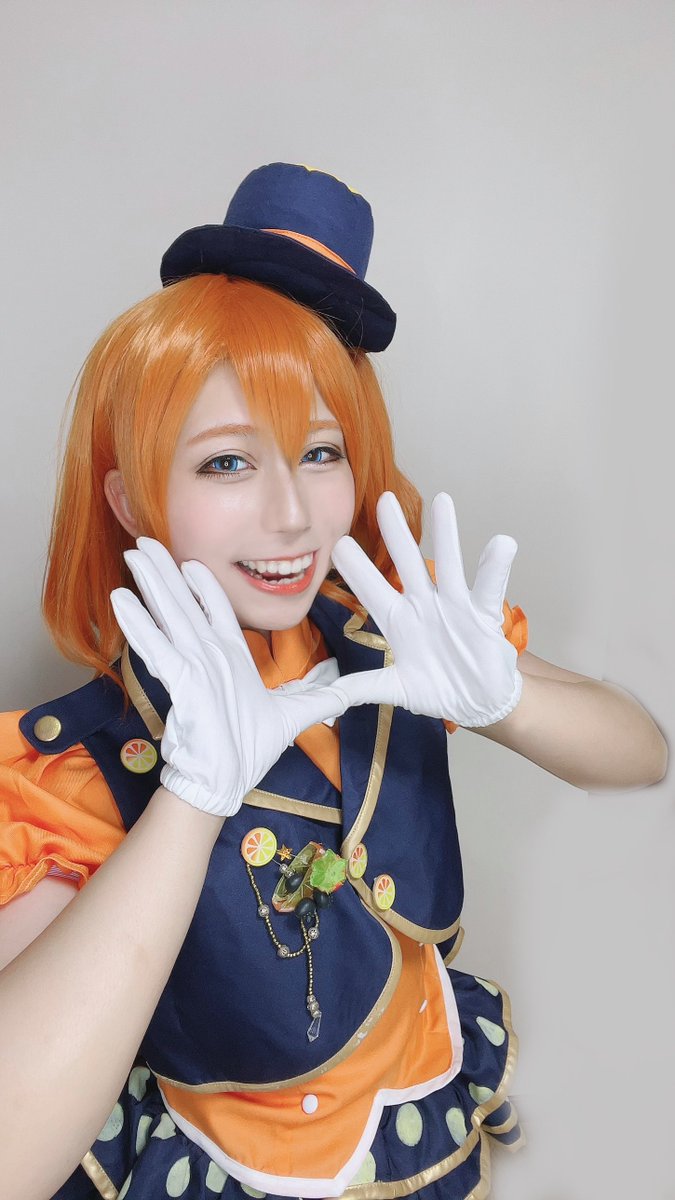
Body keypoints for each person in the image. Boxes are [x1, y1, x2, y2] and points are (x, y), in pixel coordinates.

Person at [0, 163, 666, 1200]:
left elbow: (644, 758)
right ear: (130, 501)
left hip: (427, 1105)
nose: (293, 516)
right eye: (227, 463)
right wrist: (189, 802)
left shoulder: (395, 638)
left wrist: (508, 697)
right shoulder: (73, 770)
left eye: (320, 452)